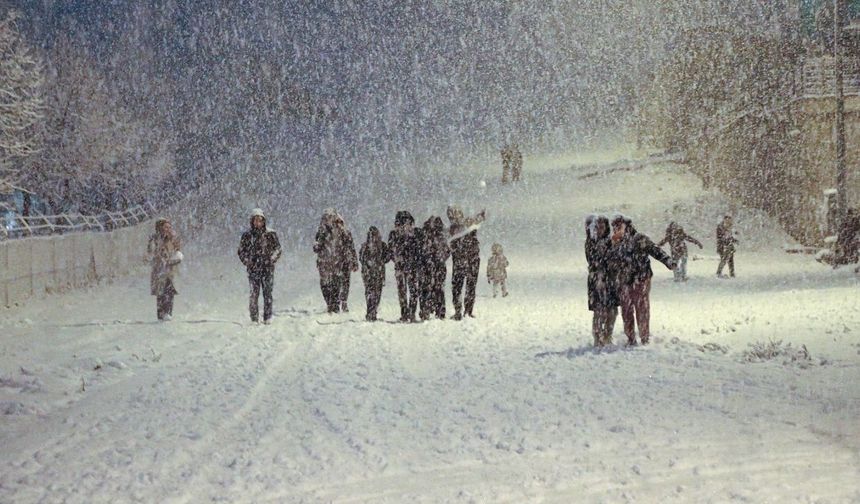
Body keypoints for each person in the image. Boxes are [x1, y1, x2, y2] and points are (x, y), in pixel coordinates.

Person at [610, 215, 674, 346]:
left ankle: (644, 337)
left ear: (627, 226)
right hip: (624, 280)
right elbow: (611, 262)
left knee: (642, 308)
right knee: (626, 309)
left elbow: (655, 250)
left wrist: (667, 261)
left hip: (641, 278)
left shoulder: (640, 239)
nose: (616, 229)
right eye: (614, 227)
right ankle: (631, 338)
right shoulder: (615, 242)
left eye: (619, 226)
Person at [238, 208, 282, 324]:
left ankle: (267, 317)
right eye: (255, 220)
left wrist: (272, 259)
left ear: (263, 221)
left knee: (267, 293)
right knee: (254, 294)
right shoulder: (247, 235)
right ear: (252, 221)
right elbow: (241, 251)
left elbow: (278, 249)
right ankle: (254, 318)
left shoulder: (270, 234)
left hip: (267, 268)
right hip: (253, 269)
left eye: (260, 220)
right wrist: (247, 261)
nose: (257, 222)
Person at [586, 215, 617, 347]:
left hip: (610, 280)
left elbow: (614, 260)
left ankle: (608, 335)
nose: (599, 229)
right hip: (596, 280)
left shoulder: (612, 242)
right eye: (597, 227)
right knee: (598, 310)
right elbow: (591, 260)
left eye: (602, 226)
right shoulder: (590, 242)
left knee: (612, 310)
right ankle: (598, 338)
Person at [388, 210, 421, 322]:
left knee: (411, 291)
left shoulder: (414, 234)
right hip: (403, 267)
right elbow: (390, 251)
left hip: (410, 266)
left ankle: (410, 313)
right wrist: (398, 259)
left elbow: (419, 250)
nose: (404, 226)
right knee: (404, 291)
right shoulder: (394, 235)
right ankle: (406, 313)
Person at [147, 218, 182, 321]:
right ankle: (161, 314)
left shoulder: (173, 238)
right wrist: (159, 257)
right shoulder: (154, 239)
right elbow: (151, 252)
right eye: (166, 227)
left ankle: (168, 313)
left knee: (169, 292)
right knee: (160, 293)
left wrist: (174, 258)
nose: (168, 229)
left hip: (170, 270)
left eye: (169, 227)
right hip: (159, 270)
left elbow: (178, 251)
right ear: (159, 228)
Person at [419, 216, 451, 320]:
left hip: (436, 266)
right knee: (430, 288)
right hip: (430, 266)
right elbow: (447, 251)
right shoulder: (427, 235)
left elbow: (447, 251)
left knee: (436, 288)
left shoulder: (439, 236)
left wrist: (439, 258)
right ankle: (430, 310)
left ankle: (436, 311)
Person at [450, 219, 480, 320]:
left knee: (459, 288)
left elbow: (452, 249)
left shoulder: (458, 236)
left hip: (463, 264)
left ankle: (462, 311)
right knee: (466, 288)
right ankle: (465, 311)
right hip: (468, 264)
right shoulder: (472, 237)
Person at [314, 209, 343, 313]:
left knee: (336, 284)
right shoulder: (321, 231)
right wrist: (319, 242)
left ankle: (335, 304)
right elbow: (315, 248)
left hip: (337, 262)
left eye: (330, 217)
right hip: (324, 263)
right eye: (327, 217)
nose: (328, 219)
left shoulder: (339, 230)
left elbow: (345, 245)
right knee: (325, 285)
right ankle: (329, 303)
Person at [359, 226, 390, 321]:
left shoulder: (366, 246)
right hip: (376, 273)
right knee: (375, 293)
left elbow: (361, 258)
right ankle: (372, 311)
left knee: (371, 293)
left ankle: (371, 311)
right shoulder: (381, 245)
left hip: (370, 273)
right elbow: (387, 258)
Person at [335, 214, 359, 312]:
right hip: (335, 263)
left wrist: (354, 262)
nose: (338, 225)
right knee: (336, 283)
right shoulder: (332, 235)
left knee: (345, 283)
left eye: (340, 223)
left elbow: (352, 248)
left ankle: (344, 302)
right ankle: (336, 303)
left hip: (345, 262)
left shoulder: (347, 233)